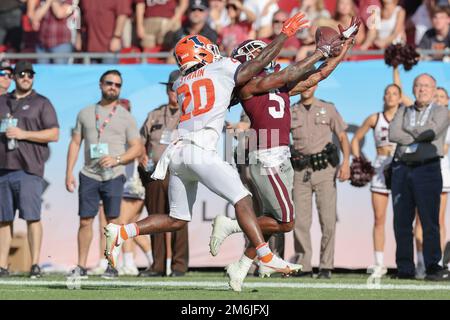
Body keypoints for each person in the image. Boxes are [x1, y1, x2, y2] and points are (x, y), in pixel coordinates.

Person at [104, 12, 311, 283]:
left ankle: (122, 232)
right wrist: (284, 34)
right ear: (200, 54)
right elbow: (256, 65)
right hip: (199, 150)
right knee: (243, 199)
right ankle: (265, 254)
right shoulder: (221, 67)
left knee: (177, 218)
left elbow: (221, 94)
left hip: (176, 154)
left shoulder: (180, 83)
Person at [209, 19, 359, 290]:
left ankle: (240, 267)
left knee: (273, 222)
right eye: (258, 54)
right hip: (265, 157)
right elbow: (292, 72)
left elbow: (318, 75)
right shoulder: (248, 87)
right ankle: (231, 225)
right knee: (287, 222)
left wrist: (344, 45)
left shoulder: (279, 87)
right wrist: (321, 50)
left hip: (280, 157)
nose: (265, 57)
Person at [65, 70, 143, 278]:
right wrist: (68, 173)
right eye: (109, 83)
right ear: (100, 85)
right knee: (85, 221)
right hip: (88, 174)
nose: (113, 87)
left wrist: (118, 159)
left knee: (113, 223)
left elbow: (137, 147)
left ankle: (111, 265)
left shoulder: (126, 117)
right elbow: (75, 143)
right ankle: (81, 266)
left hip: (114, 175)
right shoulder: (85, 113)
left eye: (117, 85)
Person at [0, 61, 60, 278]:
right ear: (14, 77)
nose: (26, 77)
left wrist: (23, 134)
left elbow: (54, 134)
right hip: (3, 168)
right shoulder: (2, 101)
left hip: (29, 169)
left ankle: (35, 264)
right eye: (22, 74)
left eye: (30, 74)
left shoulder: (41, 102)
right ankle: (2, 266)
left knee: (32, 217)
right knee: (3, 219)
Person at [389, 73, 450, 281]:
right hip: (402, 170)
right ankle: (405, 268)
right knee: (401, 222)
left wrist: (410, 133)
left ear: (434, 91)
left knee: (429, 220)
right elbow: (393, 134)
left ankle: (433, 266)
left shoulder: (442, 111)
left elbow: (431, 133)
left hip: (428, 170)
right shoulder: (403, 110)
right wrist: (416, 134)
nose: (422, 89)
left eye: (426, 86)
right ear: (413, 89)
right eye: (418, 85)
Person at [289, 77, 351, 280]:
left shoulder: (328, 108)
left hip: (325, 170)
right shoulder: (291, 111)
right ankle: (303, 264)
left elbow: (342, 136)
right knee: (300, 221)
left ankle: (326, 266)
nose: (307, 87)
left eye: (310, 83)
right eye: (303, 83)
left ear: (316, 86)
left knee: (328, 220)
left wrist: (346, 163)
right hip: (300, 171)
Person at [138, 70, 189, 277]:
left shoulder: (190, 116)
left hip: (179, 172)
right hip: (154, 174)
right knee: (155, 218)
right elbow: (140, 141)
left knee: (179, 218)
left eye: (178, 89)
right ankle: (158, 265)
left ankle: (179, 266)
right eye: (171, 88)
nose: (174, 93)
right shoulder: (154, 114)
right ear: (167, 90)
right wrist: (141, 155)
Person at [351, 83, 402, 277]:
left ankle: (417, 262)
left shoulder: (406, 116)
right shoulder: (375, 118)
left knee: (404, 220)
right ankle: (379, 263)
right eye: (387, 93)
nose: (390, 96)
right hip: (380, 168)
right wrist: (359, 160)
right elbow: (355, 139)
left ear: (400, 97)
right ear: (383, 97)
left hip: (401, 167)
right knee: (379, 219)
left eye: (394, 93)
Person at [414, 86, 450, 277]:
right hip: (423, 168)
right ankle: (419, 262)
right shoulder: (423, 118)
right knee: (421, 219)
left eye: (443, 96)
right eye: (436, 96)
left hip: (442, 171)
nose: (439, 99)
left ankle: (439, 263)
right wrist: (396, 67)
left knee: (438, 220)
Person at [27, 0, 75, 64]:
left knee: (59, 72)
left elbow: (59, 14)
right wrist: (47, 3)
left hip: (60, 44)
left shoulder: (68, 1)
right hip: (42, 44)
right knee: (43, 72)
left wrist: (52, 2)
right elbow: (35, 18)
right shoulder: (43, 1)